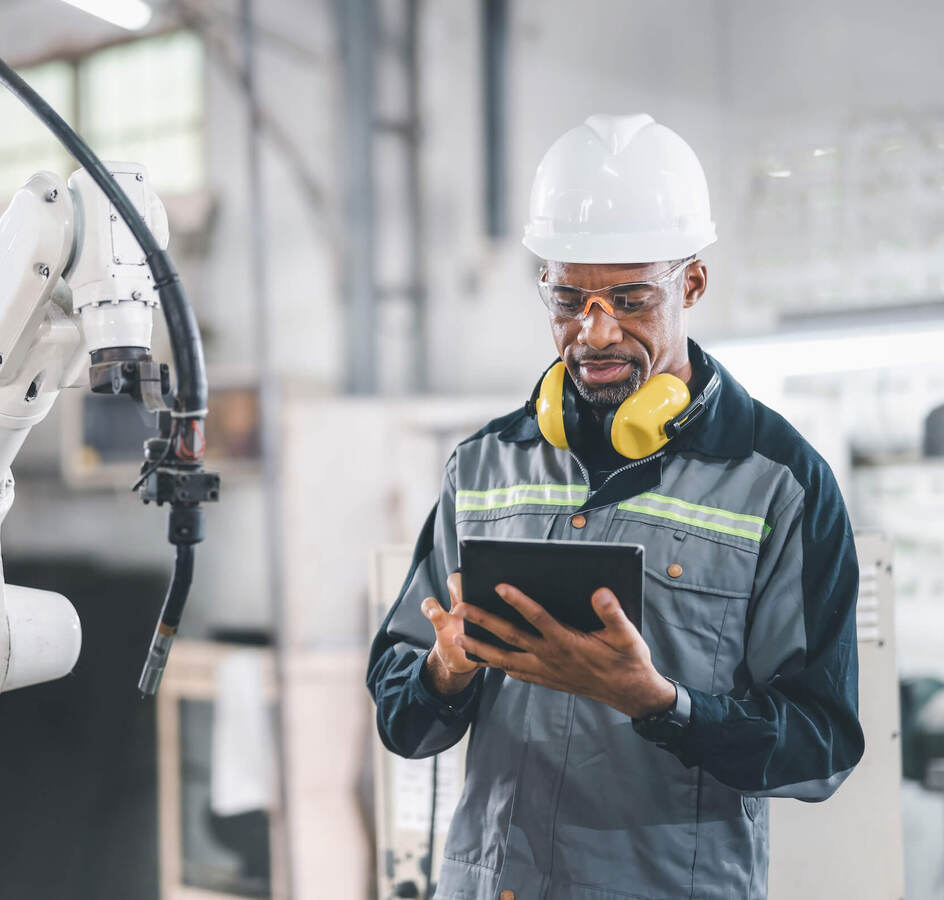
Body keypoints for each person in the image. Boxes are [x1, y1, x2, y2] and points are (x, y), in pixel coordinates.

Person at [366, 113, 863, 900]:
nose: (593, 333)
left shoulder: (779, 484)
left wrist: (663, 706)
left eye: (630, 299)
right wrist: (445, 668)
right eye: (568, 299)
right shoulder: (484, 466)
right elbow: (403, 719)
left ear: (691, 283)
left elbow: (823, 748)